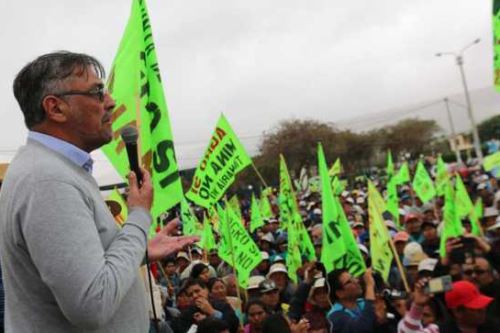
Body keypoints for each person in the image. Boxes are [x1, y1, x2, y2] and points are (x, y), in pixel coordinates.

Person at [0, 51, 198, 332]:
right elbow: (93, 303)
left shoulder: (56, 169)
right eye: (97, 92)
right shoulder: (47, 180)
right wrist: (139, 216)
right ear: (55, 109)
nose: (111, 102)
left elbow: (82, 269)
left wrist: (137, 250)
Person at [172, 279, 239, 333]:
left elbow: (233, 325)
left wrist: (212, 312)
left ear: (206, 290)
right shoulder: (185, 316)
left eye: (197, 291)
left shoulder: (223, 306)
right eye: (190, 295)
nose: (195, 296)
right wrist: (200, 324)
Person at [326, 268, 377, 333]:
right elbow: (363, 328)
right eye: (349, 282)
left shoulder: (362, 303)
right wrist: (369, 286)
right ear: (340, 293)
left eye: (353, 277)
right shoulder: (335, 316)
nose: (356, 281)